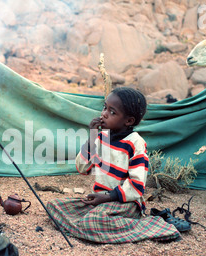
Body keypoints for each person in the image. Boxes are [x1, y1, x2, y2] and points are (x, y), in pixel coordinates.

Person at [46, 87, 180, 243]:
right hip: (100, 201)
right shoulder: (102, 137)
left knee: (91, 221)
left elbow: (136, 187)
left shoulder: (135, 144)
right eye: (104, 108)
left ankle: (150, 224)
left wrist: (107, 197)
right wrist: (92, 137)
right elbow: (82, 167)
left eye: (112, 112)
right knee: (53, 206)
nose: (104, 114)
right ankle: (86, 228)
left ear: (128, 121)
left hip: (124, 204)